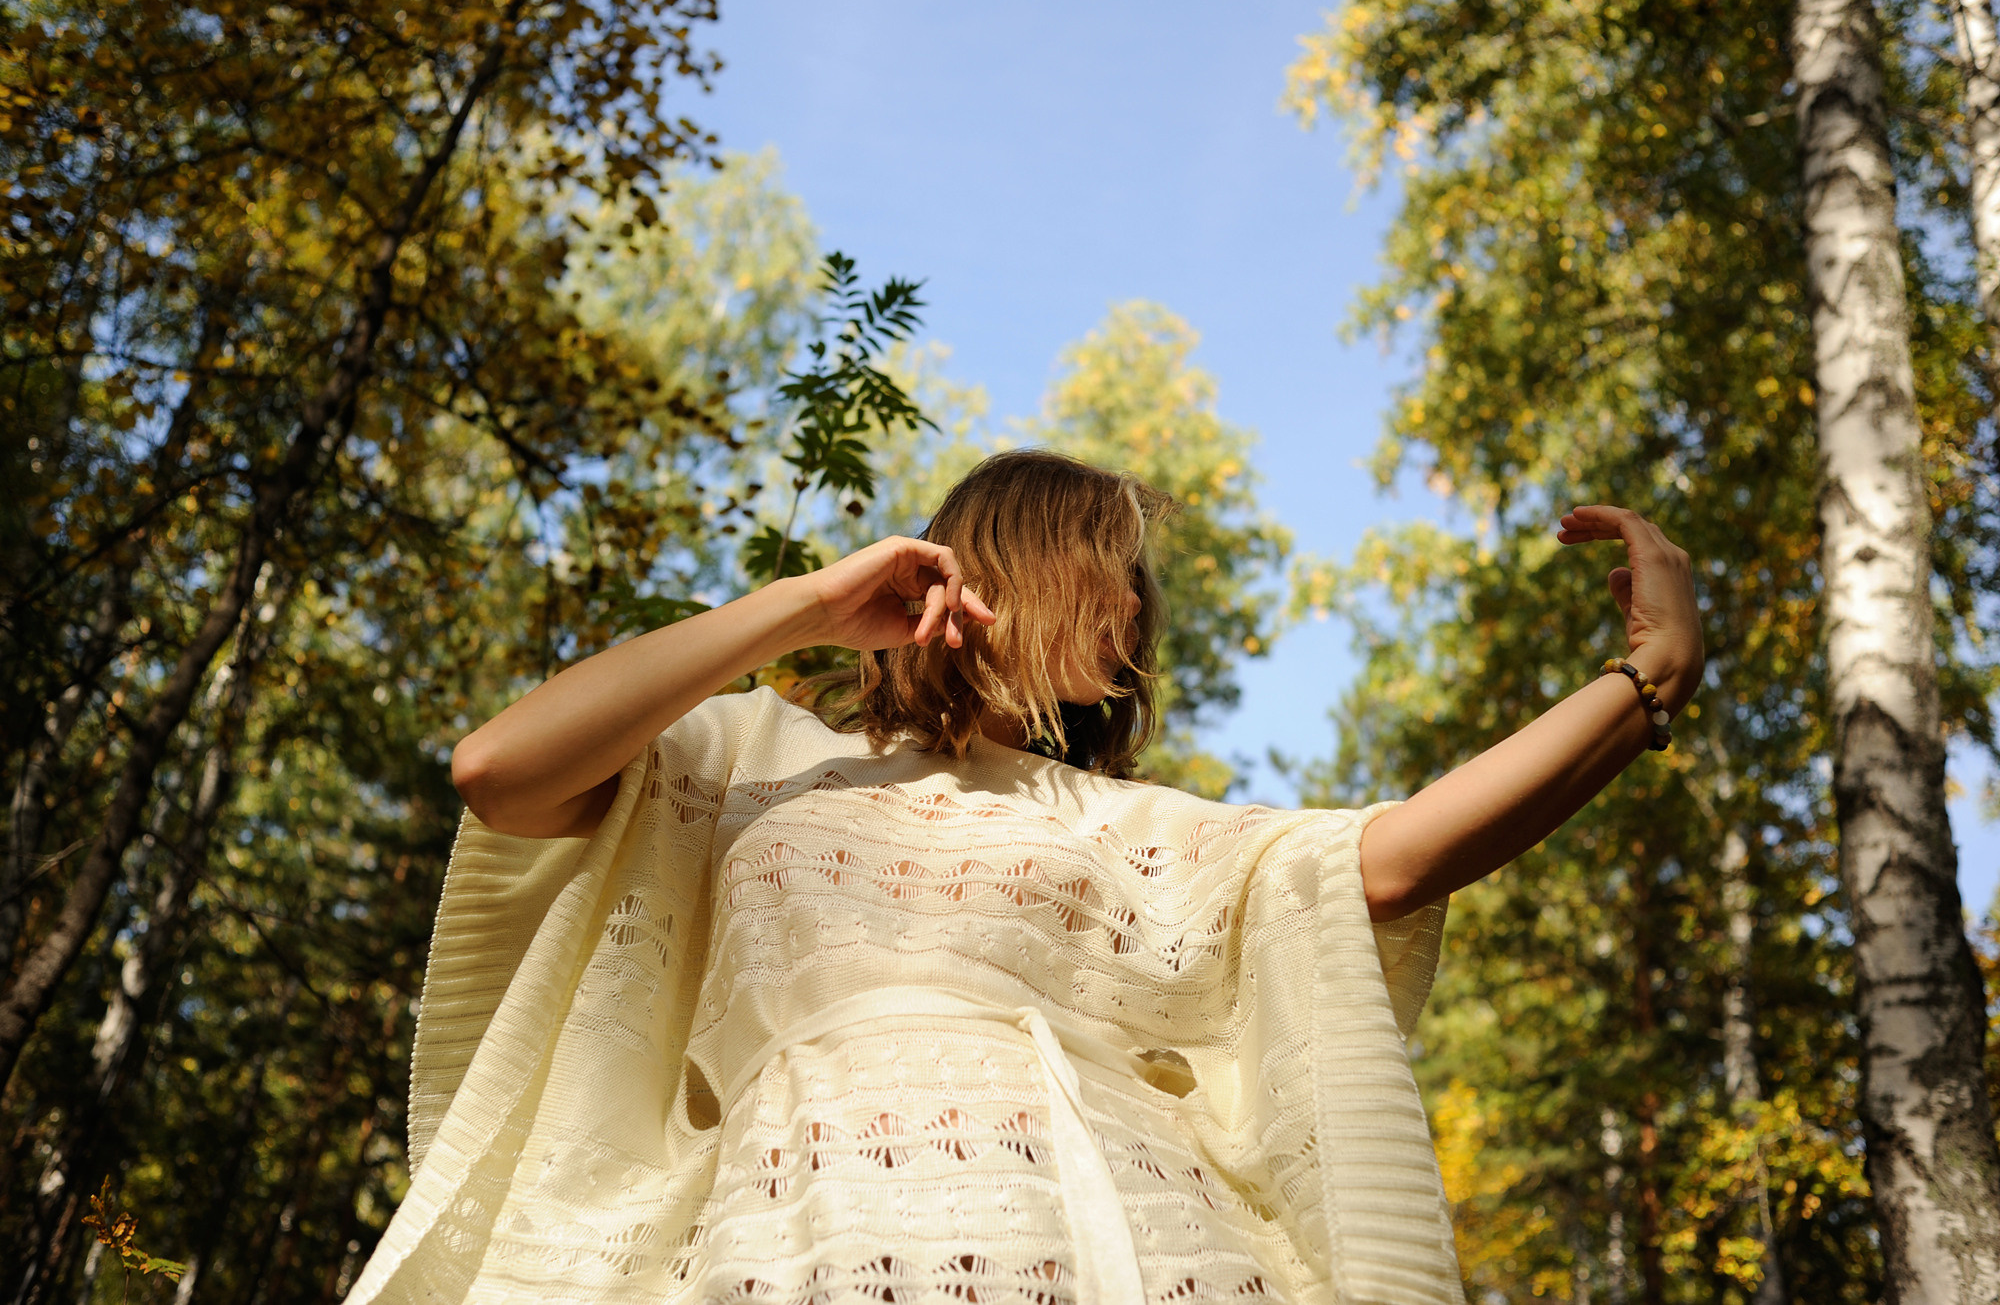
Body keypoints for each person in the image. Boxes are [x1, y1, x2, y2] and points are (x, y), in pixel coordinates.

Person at [343, 450, 1702, 1305]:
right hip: (801, 1223)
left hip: (1135, 1236)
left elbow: (1396, 860)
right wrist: (812, 607)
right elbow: (499, 770)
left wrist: (1650, 679)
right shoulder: (746, 756)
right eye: (1106, 576)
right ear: (1005, 569)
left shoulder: (1136, 822)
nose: (1134, 616)